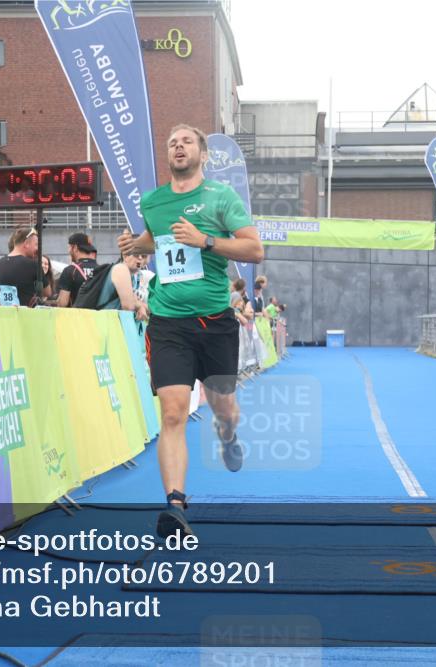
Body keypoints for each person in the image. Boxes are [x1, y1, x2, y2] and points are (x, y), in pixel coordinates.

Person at [118, 123, 264, 538]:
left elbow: (255, 249)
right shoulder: (154, 201)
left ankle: (228, 434)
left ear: (202, 152)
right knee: (173, 412)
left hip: (215, 322)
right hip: (168, 322)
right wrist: (135, 245)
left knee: (224, 409)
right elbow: (159, 240)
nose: (177, 146)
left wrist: (206, 241)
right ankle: (176, 505)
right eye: (171, 142)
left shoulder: (221, 197)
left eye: (185, 141)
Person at [0, 226, 48, 307]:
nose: (37, 248)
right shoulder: (32, 264)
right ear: (26, 244)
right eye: (36, 245)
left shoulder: (0, 262)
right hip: (25, 315)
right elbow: (47, 292)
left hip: (5, 314)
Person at [95, 252, 150, 321]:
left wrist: (139, 305)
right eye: (135, 255)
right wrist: (139, 305)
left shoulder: (134, 276)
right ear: (125, 256)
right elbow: (129, 306)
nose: (140, 258)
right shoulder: (121, 269)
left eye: (144, 255)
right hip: (108, 324)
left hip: (113, 324)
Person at [56, 232, 98, 307]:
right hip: (98, 317)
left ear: (75, 248)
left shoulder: (70, 270)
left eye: (69, 247)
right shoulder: (101, 269)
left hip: (77, 317)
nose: (68, 251)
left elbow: (62, 303)